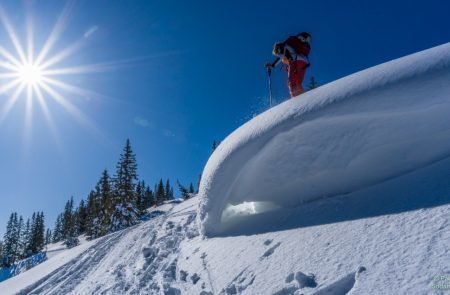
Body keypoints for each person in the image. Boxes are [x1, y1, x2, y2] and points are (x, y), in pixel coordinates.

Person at [265, 32, 311, 98]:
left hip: (295, 62)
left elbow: (281, 56)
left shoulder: (283, 46)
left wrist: (272, 65)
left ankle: (296, 101)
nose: (277, 54)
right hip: (304, 63)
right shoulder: (291, 48)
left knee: (291, 83)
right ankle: (304, 98)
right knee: (298, 83)